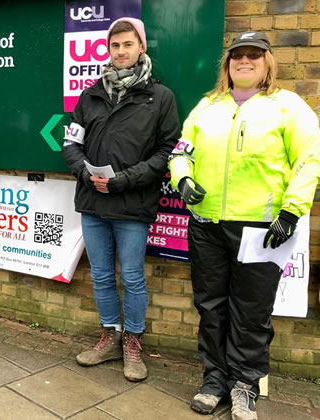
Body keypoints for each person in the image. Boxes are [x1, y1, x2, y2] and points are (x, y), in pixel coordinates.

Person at [169, 32, 320, 420]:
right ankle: (214, 380)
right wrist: (182, 179)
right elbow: (180, 152)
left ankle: (244, 385)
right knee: (211, 306)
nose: (245, 61)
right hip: (207, 224)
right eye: (238, 55)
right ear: (228, 64)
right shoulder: (207, 106)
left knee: (251, 312)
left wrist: (291, 212)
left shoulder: (288, 107)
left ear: (268, 62)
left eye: (255, 55)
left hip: (260, 228)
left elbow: (310, 159)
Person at [63, 18, 180, 381]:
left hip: (132, 204)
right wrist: (86, 172)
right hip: (93, 203)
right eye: (115, 46)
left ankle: (133, 343)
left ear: (140, 47)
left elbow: (167, 152)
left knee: (132, 277)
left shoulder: (160, 97)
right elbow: (71, 144)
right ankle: (110, 336)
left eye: (128, 45)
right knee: (100, 275)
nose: (121, 52)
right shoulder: (90, 94)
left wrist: (125, 180)